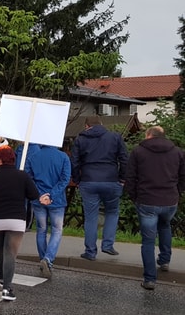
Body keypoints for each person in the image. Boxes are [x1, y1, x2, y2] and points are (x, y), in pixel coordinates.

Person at [0, 148, 48, 301]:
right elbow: (33, 195)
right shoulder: (22, 176)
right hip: (16, 220)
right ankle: (6, 288)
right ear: (13, 160)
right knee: (11, 253)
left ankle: (3, 278)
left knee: (0, 250)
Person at [126, 126, 185, 290]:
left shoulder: (138, 152)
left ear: (149, 135)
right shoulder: (178, 152)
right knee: (165, 226)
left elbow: (130, 176)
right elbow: (183, 176)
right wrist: (177, 192)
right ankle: (165, 260)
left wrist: (134, 196)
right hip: (170, 200)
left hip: (147, 200)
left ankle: (150, 279)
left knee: (148, 241)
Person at [70, 116, 128, 260]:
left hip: (89, 181)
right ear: (101, 124)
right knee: (112, 212)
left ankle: (90, 251)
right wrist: (122, 178)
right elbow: (124, 159)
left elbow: (75, 162)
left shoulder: (80, 140)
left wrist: (77, 180)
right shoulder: (115, 137)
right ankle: (108, 245)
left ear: (86, 126)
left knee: (91, 217)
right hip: (111, 180)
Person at [24, 144, 71, 278]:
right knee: (56, 230)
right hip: (56, 200)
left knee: (41, 230)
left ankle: (43, 258)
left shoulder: (33, 156)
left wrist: (39, 195)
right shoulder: (63, 157)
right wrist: (51, 195)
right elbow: (65, 179)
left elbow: (29, 178)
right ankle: (48, 259)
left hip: (38, 200)